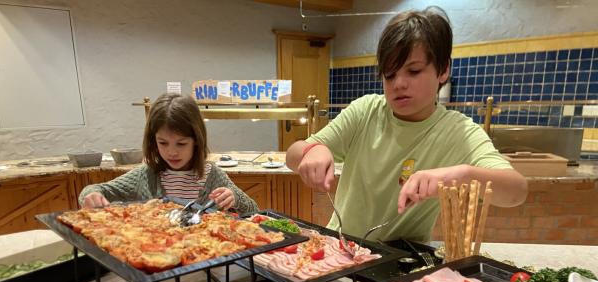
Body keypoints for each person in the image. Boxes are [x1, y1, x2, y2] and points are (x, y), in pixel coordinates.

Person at [286, 7, 527, 243]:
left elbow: (516, 192)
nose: (399, 84)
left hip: (403, 258)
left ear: (443, 71)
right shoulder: (366, 110)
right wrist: (312, 150)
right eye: (389, 75)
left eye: (413, 71)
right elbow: (292, 155)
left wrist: (462, 175)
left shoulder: (459, 131)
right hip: (341, 246)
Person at [79, 93, 258, 214]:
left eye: (181, 143)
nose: (172, 152)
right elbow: (97, 190)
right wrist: (91, 195)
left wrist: (235, 198)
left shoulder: (212, 176)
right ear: (153, 141)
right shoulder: (146, 175)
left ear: (196, 140)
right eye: (163, 143)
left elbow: (253, 210)